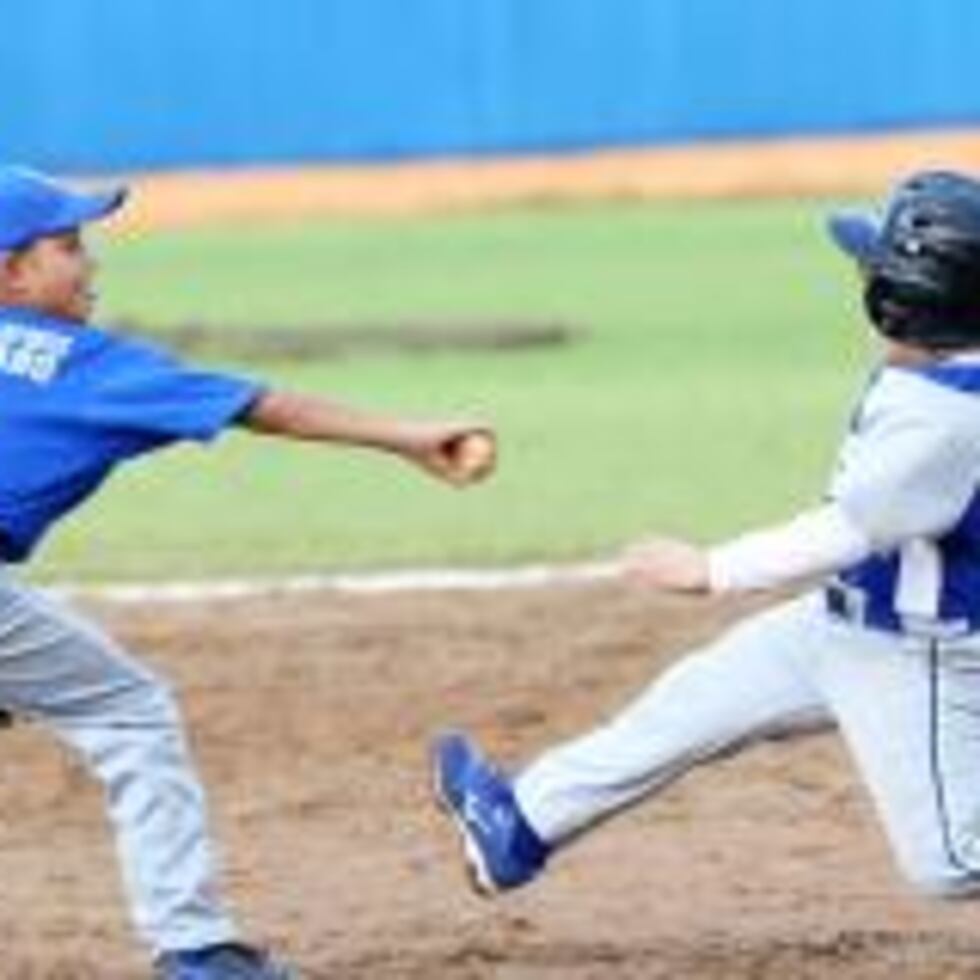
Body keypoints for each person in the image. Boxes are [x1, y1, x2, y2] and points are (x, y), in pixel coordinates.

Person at [0, 165, 496, 980]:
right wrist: (408, 437)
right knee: (130, 712)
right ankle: (195, 950)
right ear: (11, 269)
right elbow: (264, 405)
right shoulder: (81, 364)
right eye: (67, 246)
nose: (90, 263)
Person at [433, 169, 980, 907]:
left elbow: (846, 529)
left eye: (872, 266)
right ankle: (519, 826)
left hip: (918, 650)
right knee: (693, 703)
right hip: (846, 620)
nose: (860, 272)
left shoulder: (944, 417)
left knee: (948, 861)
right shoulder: (939, 369)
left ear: (908, 301)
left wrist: (711, 569)